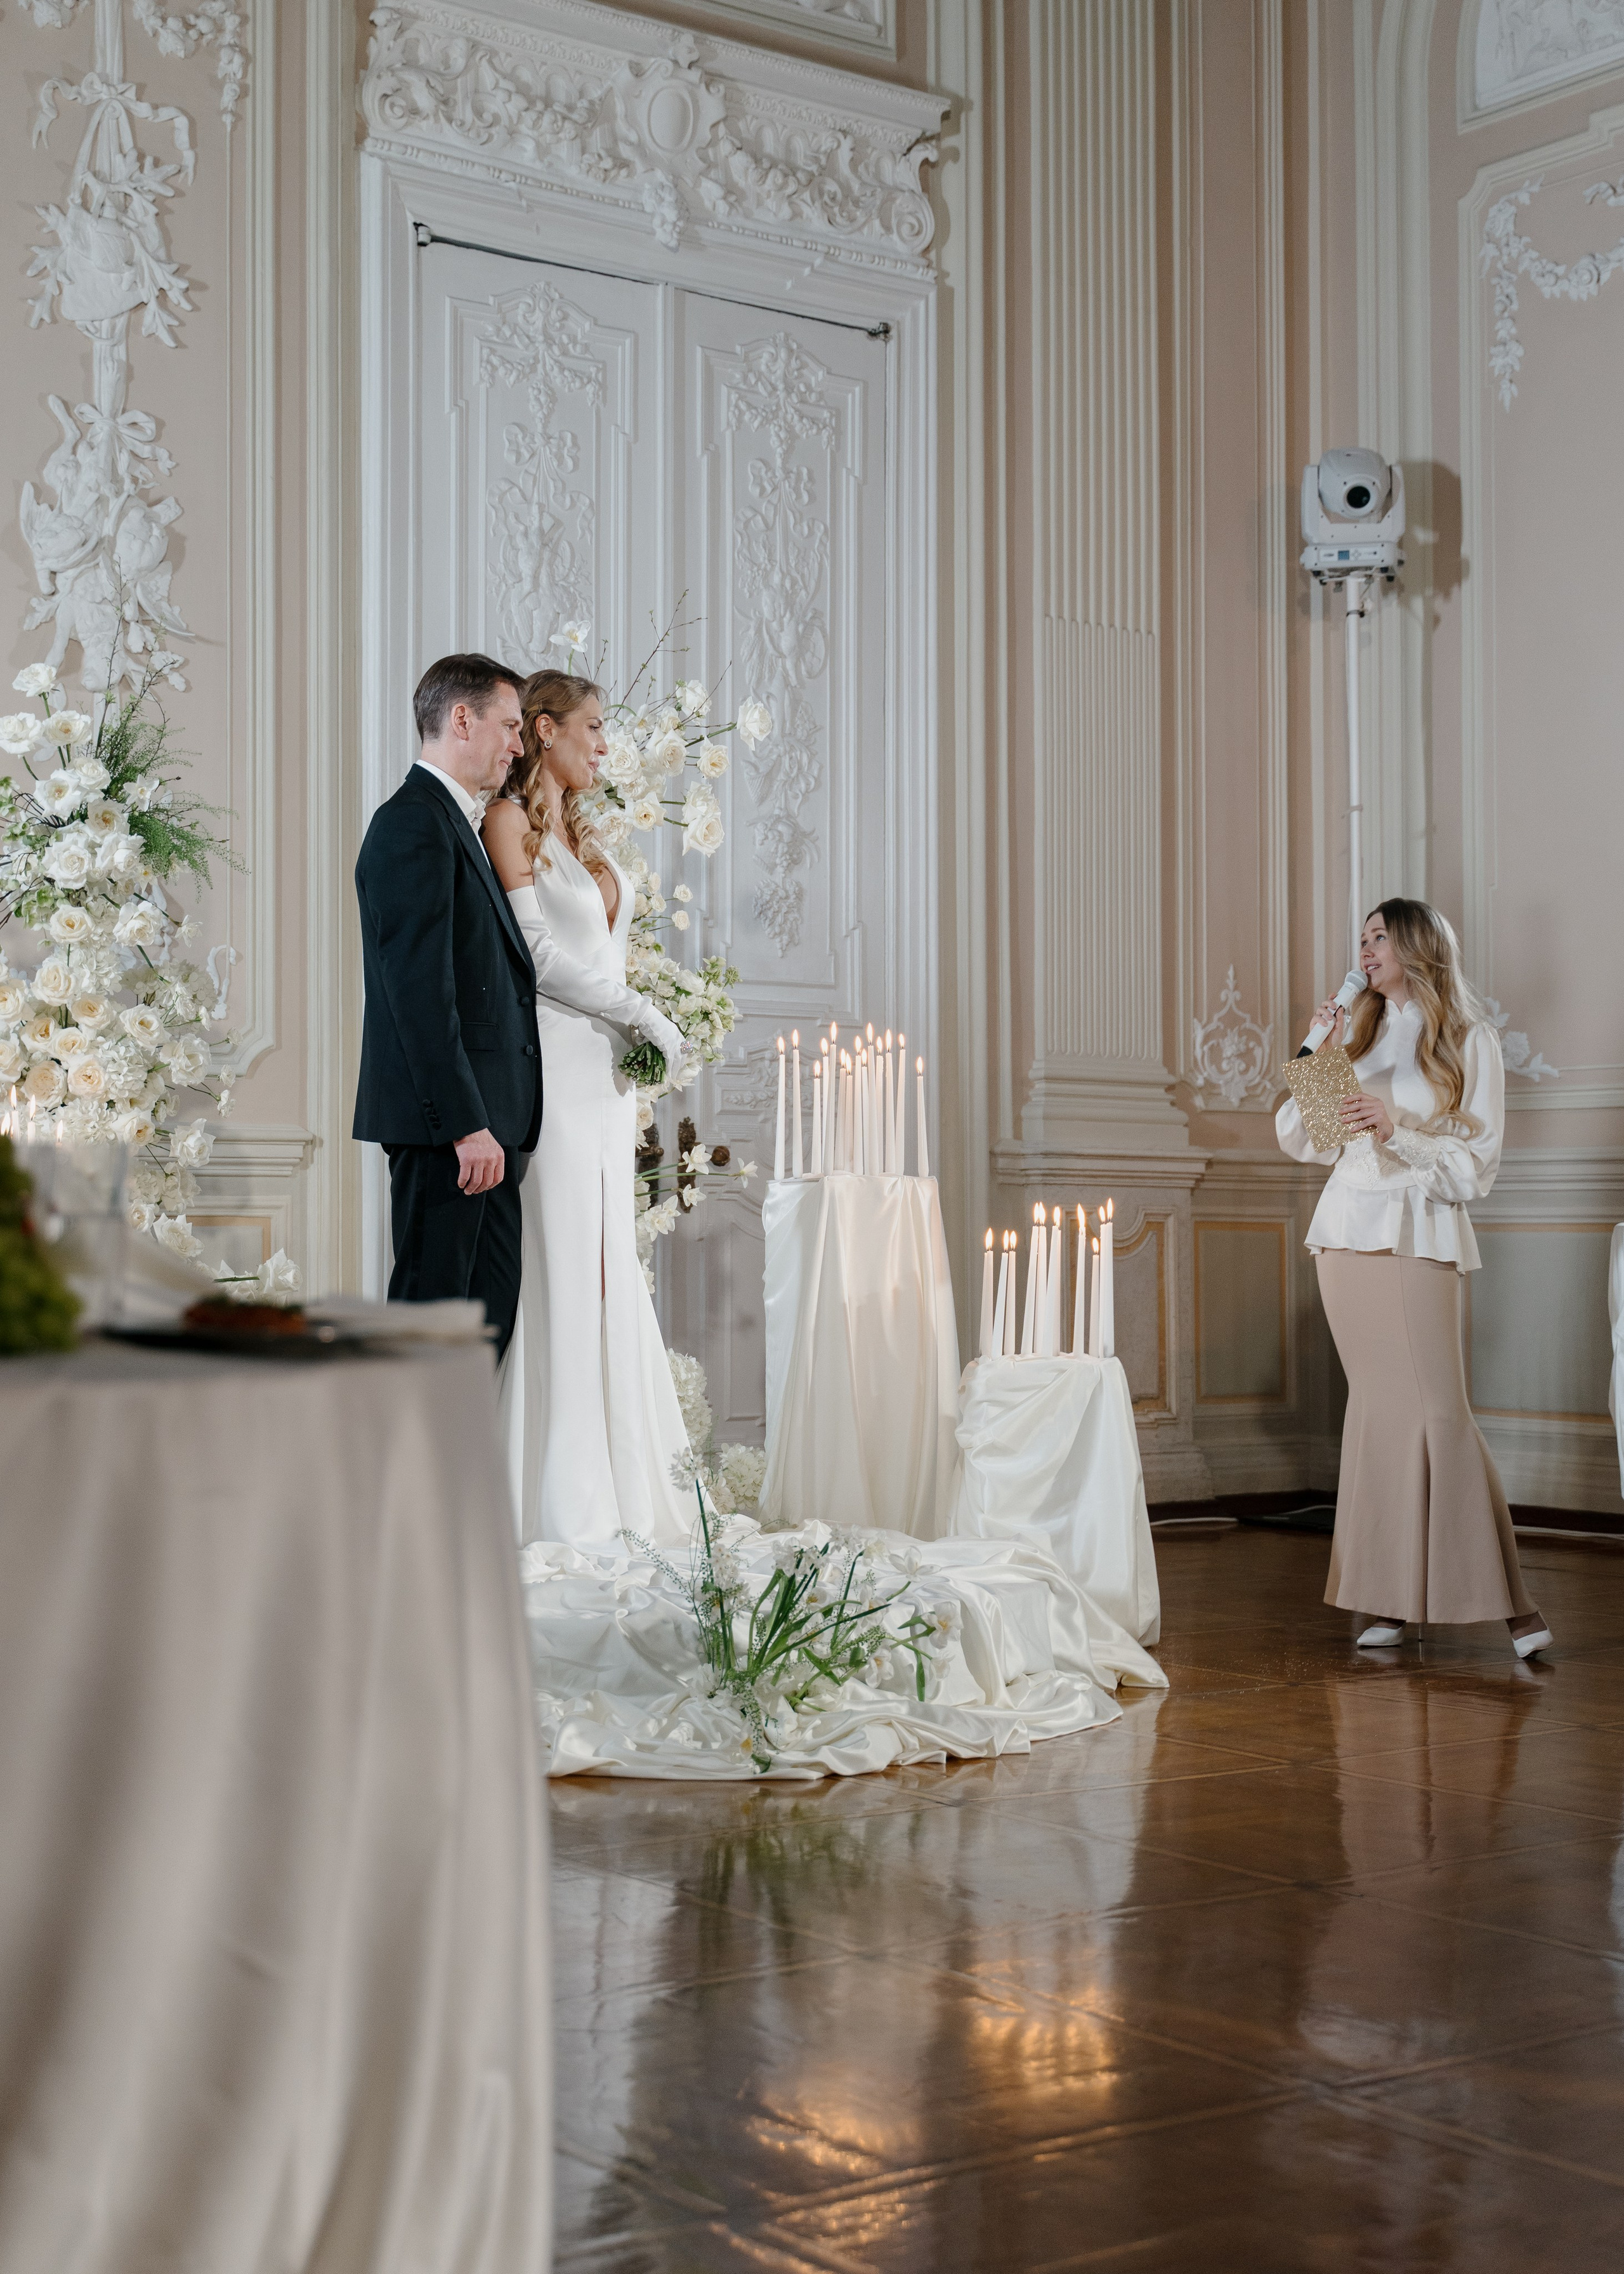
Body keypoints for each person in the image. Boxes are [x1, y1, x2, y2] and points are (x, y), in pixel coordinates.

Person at [1276, 898, 1552, 1658]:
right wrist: (1317, 1045)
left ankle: (1512, 1607)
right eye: (1360, 938)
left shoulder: (1470, 1039)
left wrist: (1398, 1126)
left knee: (1438, 1411)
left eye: (1379, 937)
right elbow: (1307, 1140)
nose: (1364, 949)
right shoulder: (1355, 1035)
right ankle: (1389, 1599)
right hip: (1344, 1238)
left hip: (1421, 1232)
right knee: (1377, 1413)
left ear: (1417, 946)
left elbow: (1476, 1167)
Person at [481, 670, 695, 1549]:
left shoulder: (583, 831)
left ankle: (628, 1491)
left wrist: (636, 1021)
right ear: (543, 729)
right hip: (557, 1075)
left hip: (607, 1081)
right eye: (595, 728)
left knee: (610, 1267)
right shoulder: (505, 822)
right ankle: (556, 1502)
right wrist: (641, 1013)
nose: (606, 745)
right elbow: (532, 953)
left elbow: (602, 951)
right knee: (563, 1265)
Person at [353, 654, 540, 1358]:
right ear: (462, 718)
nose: (518, 746)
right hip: (452, 1133)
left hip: (487, 1130)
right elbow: (417, 993)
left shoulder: (453, 822)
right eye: (510, 725)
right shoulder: (411, 823)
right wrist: (465, 1125)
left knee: (482, 1329)